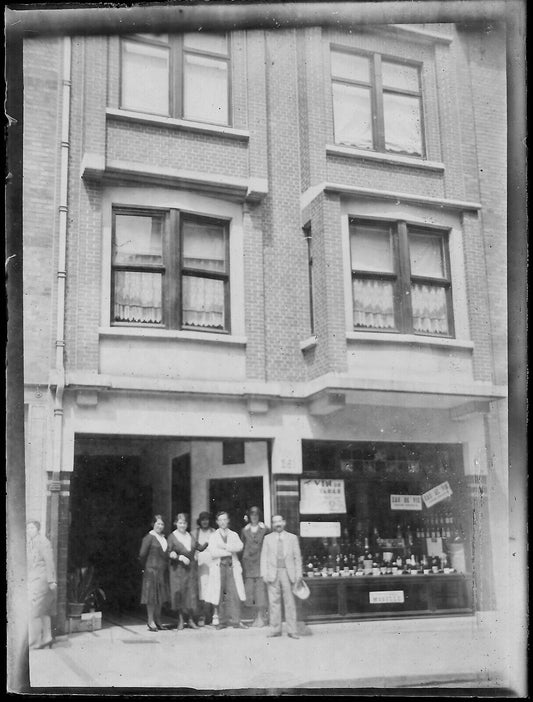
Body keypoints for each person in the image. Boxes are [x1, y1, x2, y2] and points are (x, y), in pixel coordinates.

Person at [260, 514, 303, 639]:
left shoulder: (292, 538)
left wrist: (299, 574)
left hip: (288, 573)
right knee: (274, 602)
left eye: (279, 521)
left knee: (290, 602)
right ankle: (275, 629)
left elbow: (297, 558)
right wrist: (264, 574)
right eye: (275, 522)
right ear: (272, 524)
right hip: (273, 573)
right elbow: (264, 557)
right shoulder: (267, 538)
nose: (277, 524)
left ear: (284, 522)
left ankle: (292, 630)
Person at [206, 511, 248, 630]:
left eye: (225, 519)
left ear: (228, 521)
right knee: (220, 594)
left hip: (231, 566)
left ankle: (236, 620)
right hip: (219, 567)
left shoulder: (233, 534)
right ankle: (222, 621)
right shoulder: (213, 536)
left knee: (234, 593)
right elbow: (213, 553)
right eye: (221, 520)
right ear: (217, 522)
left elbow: (240, 546)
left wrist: (225, 547)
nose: (223, 522)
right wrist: (229, 551)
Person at [26, 520, 57, 649]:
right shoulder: (30, 543)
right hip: (34, 579)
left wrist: (52, 580)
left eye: (32, 528)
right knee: (43, 610)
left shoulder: (43, 542)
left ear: (38, 529)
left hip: (41, 580)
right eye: (28, 528)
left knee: (34, 612)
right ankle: (47, 637)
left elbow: (49, 562)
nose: (29, 531)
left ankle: (35, 642)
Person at [168, 513, 200, 630]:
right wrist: (179, 557)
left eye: (184, 523)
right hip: (178, 570)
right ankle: (180, 620)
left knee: (191, 593)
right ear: (176, 523)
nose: (182, 525)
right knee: (180, 593)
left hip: (190, 569)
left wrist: (203, 548)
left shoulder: (190, 535)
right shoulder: (172, 536)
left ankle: (190, 620)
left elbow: (198, 547)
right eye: (180, 523)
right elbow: (169, 552)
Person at [139, 514, 170, 632]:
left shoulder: (164, 538)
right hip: (151, 571)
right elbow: (142, 555)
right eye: (158, 523)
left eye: (162, 524)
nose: (160, 526)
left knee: (160, 597)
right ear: (153, 524)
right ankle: (150, 620)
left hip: (162, 571)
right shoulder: (149, 537)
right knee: (151, 597)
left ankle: (158, 620)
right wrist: (147, 567)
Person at [241, 506, 269, 627]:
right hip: (249, 565)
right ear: (249, 516)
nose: (254, 517)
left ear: (259, 516)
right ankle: (254, 617)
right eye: (252, 514)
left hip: (260, 563)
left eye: (256, 514)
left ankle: (260, 617)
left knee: (260, 592)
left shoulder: (265, 529)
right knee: (250, 592)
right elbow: (242, 546)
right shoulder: (244, 530)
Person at [193, 512, 215, 627]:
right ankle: (200, 616)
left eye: (207, 519)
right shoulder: (195, 533)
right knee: (201, 590)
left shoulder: (214, 532)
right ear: (200, 521)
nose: (205, 522)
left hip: (212, 565)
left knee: (211, 590)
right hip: (200, 565)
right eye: (203, 520)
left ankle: (210, 616)